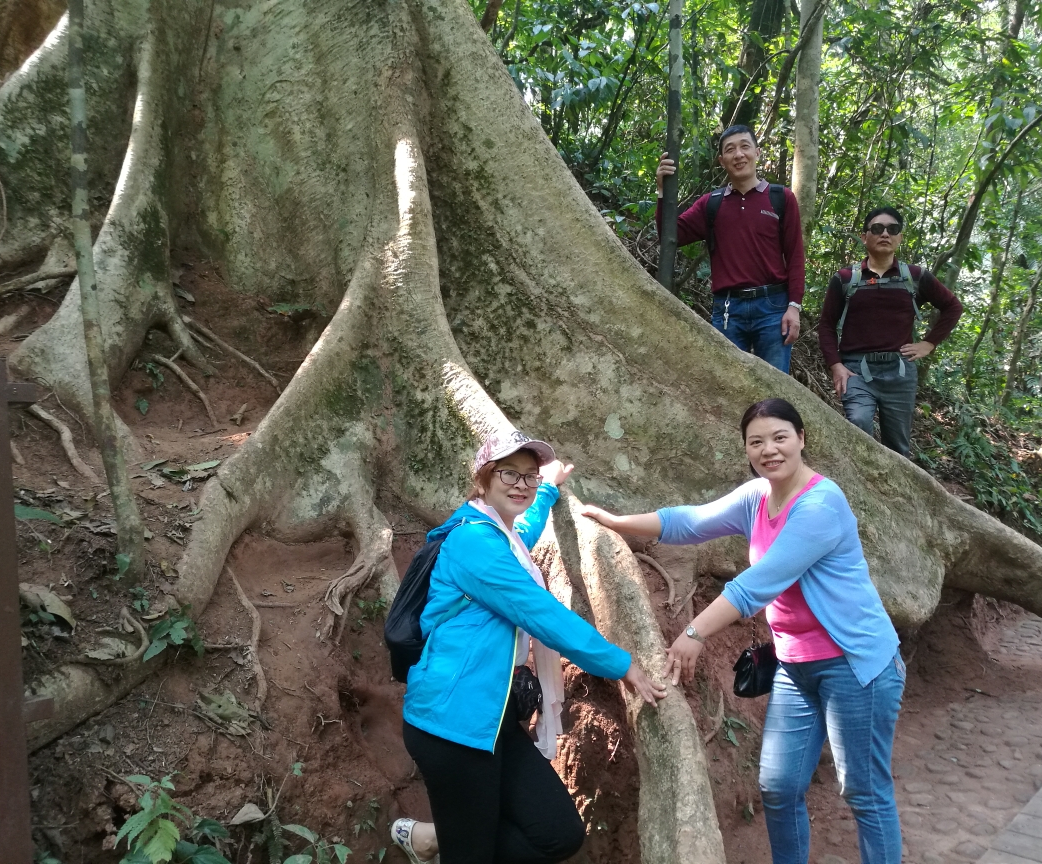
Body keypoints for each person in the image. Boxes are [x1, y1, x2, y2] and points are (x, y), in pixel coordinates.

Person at [581, 399, 906, 864]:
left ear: (801, 439)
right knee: (778, 786)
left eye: (779, 437)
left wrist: (694, 632)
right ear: (747, 450)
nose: (769, 450)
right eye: (757, 442)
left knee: (863, 791)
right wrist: (616, 522)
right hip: (795, 666)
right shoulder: (757, 497)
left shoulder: (821, 504)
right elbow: (689, 522)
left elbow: (759, 583)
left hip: (855, 665)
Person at [390, 430, 667, 864]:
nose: (521, 484)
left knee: (558, 833)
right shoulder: (473, 543)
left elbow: (523, 532)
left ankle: (437, 838)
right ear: (482, 479)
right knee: (473, 853)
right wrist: (621, 665)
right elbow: (542, 614)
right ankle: (452, 841)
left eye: (529, 476)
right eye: (508, 474)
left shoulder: (499, 533)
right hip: (451, 725)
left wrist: (550, 489)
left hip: (493, 719)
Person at [655, 125, 805, 373]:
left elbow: (795, 256)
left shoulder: (781, 198)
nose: (738, 155)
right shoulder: (711, 204)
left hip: (773, 309)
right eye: (730, 150)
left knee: (776, 388)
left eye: (745, 147)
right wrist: (662, 190)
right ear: (721, 160)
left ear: (757, 152)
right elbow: (670, 236)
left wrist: (794, 307)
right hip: (727, 310)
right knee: (725, 383)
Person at [817, 206, 963, 457]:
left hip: (900, 372)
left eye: (892, 229)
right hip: (856, 370)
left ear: (900, 238)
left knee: (898, 447)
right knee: (858, 424)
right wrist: (836, 365)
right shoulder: (845, 278)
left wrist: (929, 343)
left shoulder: (914, 277)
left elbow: (953, 307)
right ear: (864, 237)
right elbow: (827, 325)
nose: (885, 234)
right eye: (877, 228)